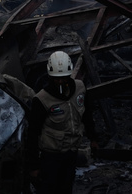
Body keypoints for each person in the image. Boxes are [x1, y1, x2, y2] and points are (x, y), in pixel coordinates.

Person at [30, 51, 98, 194]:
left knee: (66, 187)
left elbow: (86, 114)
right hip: (51, 156)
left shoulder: (80, 88)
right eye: (56, 78)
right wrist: (34, 165)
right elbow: (33, 133)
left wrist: (93, 138)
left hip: (71, 151)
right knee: (48, 189)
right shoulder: (42, 99)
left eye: (63, 78)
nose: (60, 82)